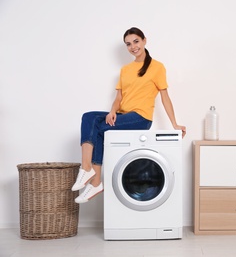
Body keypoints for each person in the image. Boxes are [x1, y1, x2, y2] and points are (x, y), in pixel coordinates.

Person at [71, 27, 186, 204]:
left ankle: (92, 177)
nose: (133, 47)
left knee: (99, 128)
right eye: (128, 44)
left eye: (136, 41)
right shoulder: (125, 70)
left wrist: (175, 124)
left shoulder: (157, 67)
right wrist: (112, 112)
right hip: (123, 116)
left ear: (144, 41)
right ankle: (89, 172)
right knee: (88, 117)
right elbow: (119, 98)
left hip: (141, 118)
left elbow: (165, 97)